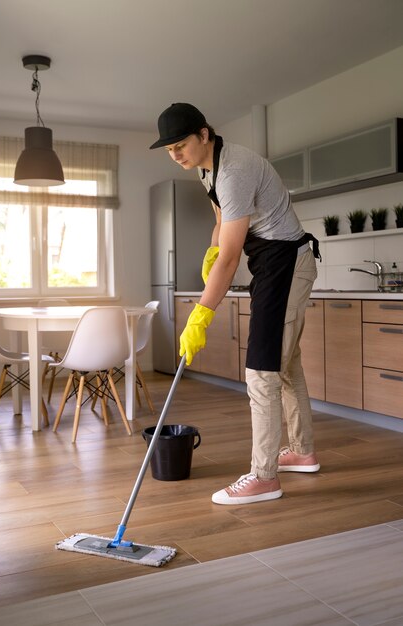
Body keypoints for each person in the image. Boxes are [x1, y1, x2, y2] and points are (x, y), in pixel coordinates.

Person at [150, 102, 321, 506]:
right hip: (270, 263)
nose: (176, 155)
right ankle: (301, 450)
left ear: (204, 134)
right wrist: (211, 250)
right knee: (285, 363)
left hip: (286, 263)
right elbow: (222, 224)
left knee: (261, 369)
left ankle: (264, 476)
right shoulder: (206, 170)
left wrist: (200, 314)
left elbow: (230, 260)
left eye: (181, 145)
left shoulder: (233, 170)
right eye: (169, 149)